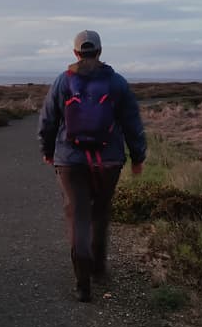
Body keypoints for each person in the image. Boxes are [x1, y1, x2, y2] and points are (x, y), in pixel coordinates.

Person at [38, 30, 146, 302]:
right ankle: (98, 267)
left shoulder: (63, 81)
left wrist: (48, 151)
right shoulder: (117, 82)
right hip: (109, 160)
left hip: (70, 162)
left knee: (78, 215)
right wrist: (137, 157)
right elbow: (132, 123)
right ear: (99, 51)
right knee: (100, 211)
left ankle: (82, 282)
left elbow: (48, 120)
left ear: (75, 53)